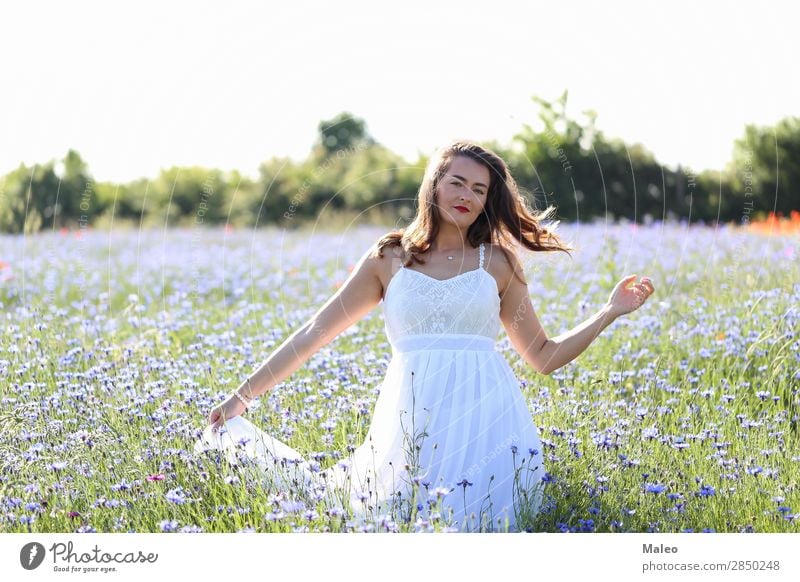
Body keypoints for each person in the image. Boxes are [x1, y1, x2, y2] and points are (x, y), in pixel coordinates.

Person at [194, 140, 655, 532]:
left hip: (487, 420)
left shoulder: (498, 263)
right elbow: (317, 330)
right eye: (457, 182)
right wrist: (243, 396)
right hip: (409, 417)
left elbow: (544, 355)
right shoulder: (389, 258)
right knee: (390, 519)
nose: (467, 195)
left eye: (479, 189)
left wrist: (609, 312)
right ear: (433, 185)